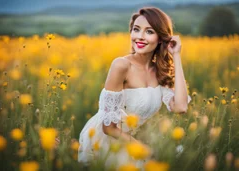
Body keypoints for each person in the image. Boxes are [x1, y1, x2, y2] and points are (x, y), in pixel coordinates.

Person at [78, 6, 191, 169]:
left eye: (149, 32)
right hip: (104, 140)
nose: (140, 37)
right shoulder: (121, 65)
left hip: (127, 140)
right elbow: (108, 128)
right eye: (136, 30)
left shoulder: (159, 71)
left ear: (161, 38)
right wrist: (142, 148)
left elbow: (180, 107)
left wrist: (177, 56)